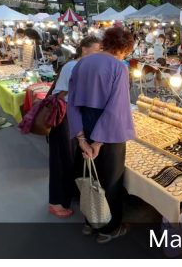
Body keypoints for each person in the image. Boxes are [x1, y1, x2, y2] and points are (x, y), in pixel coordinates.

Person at [67, 25, 136, 242]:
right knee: (110, 181)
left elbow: (72, 104)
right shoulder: (119, 67)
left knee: (88, 177)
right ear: (124, 48)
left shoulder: (82, 63)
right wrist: (98, 142)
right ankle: (108, 229)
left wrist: (81, 138)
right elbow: (116, 108)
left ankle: (89, 222)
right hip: (107, 132)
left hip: (84, 125)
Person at [47, 35, 100, 219]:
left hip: (72, 118)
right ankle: (56, 203)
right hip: (64, 119)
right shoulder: (72, 66)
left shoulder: (81, 66)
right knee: (62, 161)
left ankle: (67, 196)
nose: (98, 55)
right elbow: (61, 95)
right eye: (95, 50)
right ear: (84, 49)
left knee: (70, 160)